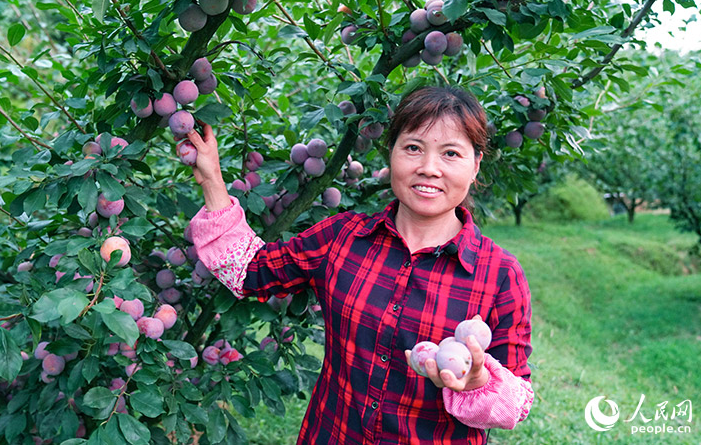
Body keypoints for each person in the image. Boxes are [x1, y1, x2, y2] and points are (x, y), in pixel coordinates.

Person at [185, 85, 533, 444]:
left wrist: (478, 382)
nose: (429, 168)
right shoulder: (343, 238)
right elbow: (249, 270)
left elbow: (516, 403)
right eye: (413, 148)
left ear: (475, 165)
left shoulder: (500, 275)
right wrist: (212, 177)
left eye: (451, 153)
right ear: (391, 154)